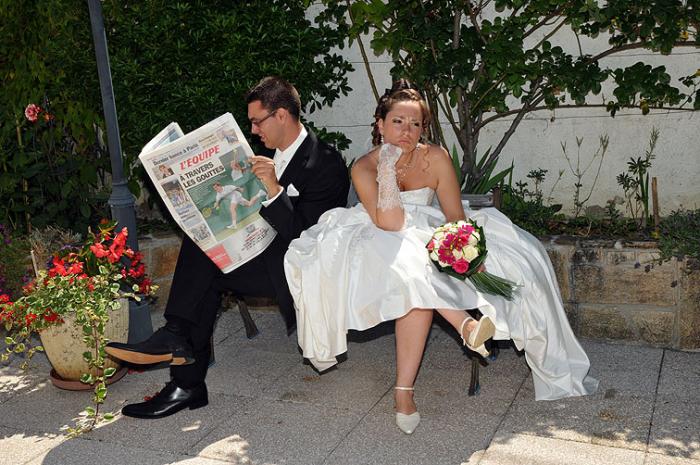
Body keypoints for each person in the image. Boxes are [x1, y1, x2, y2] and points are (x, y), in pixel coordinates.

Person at [284, 80, 598, 435]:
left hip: (427, 229)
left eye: (415, 124)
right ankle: (465, 327)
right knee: (407, 262)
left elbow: (454, 216)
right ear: (380, 124)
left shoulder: (435, 157)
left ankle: (405, 393)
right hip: (376, 235)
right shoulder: (365, 166)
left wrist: (456, 246)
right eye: (398, 122)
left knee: (418, 284)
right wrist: (387, 165)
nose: (407, 131)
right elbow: (390, 221)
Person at [105, 76, 350, 419]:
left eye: (256, 121)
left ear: (282, 115)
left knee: (206, 267)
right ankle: (185, 377)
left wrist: (276, 191)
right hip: (251, 250)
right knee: (205, 251)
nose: (252, 130)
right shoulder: (261, 152)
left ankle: (181, 364)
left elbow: (308, 237)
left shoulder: (326, 163)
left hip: (293, 266)